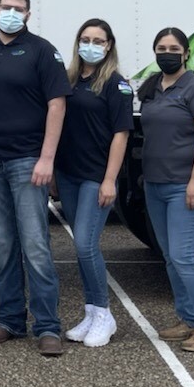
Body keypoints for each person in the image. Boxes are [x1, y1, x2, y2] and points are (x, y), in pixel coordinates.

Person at [0, 0, 73, 357]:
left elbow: (57, 105)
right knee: (3, 244)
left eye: (18, 9)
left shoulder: (41, 50)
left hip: (27, 161)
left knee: (35, 244)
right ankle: (9, 320)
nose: (11, 13)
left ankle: (48, 326)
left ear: (28, 15)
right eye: (6, 7)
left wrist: (46, 158)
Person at [136, 26, 194, 352]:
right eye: (161, 47)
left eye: (173, 48)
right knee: (171, 258)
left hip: (184, 186)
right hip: (156, 185)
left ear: (186, 53)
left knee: (184, 257)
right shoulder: (154, 88)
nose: (166, 53)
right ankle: (188, 318)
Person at [55, 18, 134, 348]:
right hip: (69, 176)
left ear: (109, 46)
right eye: (85, 39)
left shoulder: (116, 85)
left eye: (98, 40)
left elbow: (121, 135)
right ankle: (90, 312)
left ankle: (104, 314)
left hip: (95, 178)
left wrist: (109, 180)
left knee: (87, 244)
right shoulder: (69, 81)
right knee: (80, 246)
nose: (91, 45)